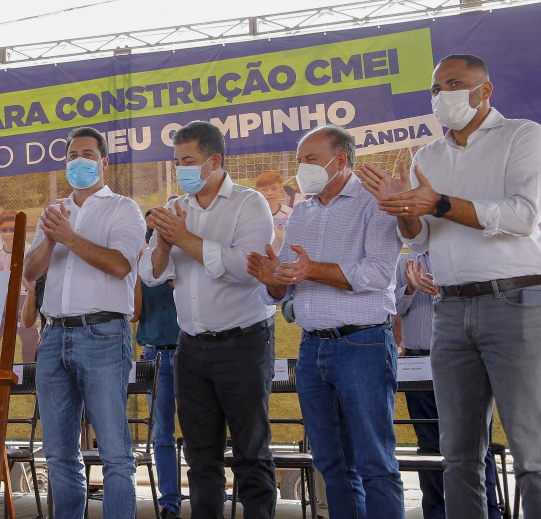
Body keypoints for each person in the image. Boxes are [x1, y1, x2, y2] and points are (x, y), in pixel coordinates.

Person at [357, 53, 541, 519]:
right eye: (436, 88)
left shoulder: (524, 136)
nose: (442, 94)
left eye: (454, 84)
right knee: (458, 455)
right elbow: (421, 237)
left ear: (485, 90)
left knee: (532, 451)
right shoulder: (428, 156)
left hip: (516, 301)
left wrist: (438, 202)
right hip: (450, 308)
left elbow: (524, 217)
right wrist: (403, 210)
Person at [248, 125, 404, 519]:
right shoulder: (302, 211)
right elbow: (287, 282)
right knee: (331, 463)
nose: (302, 168)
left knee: (375, 462)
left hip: (362, 345)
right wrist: (272, 279)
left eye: (311, 160)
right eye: (300, 160)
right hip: (312, 347)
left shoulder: (374, 203)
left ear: (340, 160)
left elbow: (378, 273)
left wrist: (311, 269)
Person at [141, 121, 277, 519]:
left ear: (215, 161)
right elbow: (150, 274)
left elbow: (246, 268)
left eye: (189, 161)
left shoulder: (249, 204)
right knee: (200, 457)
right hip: (191, 348)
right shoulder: (176, 209)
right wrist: (163, 245)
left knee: (251, 453)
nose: (180, 169)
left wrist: (183, 238)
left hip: (243, 344)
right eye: (176, 162)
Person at [23, 126, 145, 519]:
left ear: (104, 162)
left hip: (103, 334)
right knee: (58, 453)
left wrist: (70, 237)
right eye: (72, 155)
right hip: (53, 336)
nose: (79, 161)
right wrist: (50, 239)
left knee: (114, 452)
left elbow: (121, 265)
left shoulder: (123, 209)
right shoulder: (55, 212)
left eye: (88, 154)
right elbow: (30, 270)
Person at [395, 252, 503, 519]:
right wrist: (409, 289)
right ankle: (435, 513)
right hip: (419, 363)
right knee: (428, 444)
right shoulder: (406, 263)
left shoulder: (468, 256)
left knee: (475, 443)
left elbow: (486, 304)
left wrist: (446, 292)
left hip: (464, 360)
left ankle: (489, 512)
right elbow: (392, 308)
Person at [132, 211, 182, 519]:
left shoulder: (183, 263)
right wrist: (137, 275)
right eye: (150, 229)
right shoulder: (141, 267)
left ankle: (207, 494)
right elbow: (134, 314)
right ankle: (170, 503)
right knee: (162, 431)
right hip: (154, 358)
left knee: (200, 427)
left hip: (189, 353)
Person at [0, 210, 40, 361]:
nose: (8, 234)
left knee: (27, 331)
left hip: (25, 296)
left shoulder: (29, 250)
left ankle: (29, 367)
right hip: (5, 297)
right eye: (4, 230)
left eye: (12, 229)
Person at [255, 171, 294, 253]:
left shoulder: (290, 214)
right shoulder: (249, 215)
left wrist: (280, 236)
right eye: (264, 190)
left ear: (281, 191)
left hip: (282, 259)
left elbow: (296, 245)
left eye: (274, 189)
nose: (269, 193)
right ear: (257, 193)